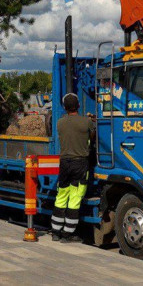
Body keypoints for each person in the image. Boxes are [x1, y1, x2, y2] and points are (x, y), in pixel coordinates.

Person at [51, 93, 95, 243]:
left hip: (64, 163)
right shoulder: (86, 122)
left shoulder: (60, 123)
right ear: (79, 106)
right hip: (80, 163)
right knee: (75, 198)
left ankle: (55, 232)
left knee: (61, 195)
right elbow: (92, 137)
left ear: (65, 107)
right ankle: (68, 234)